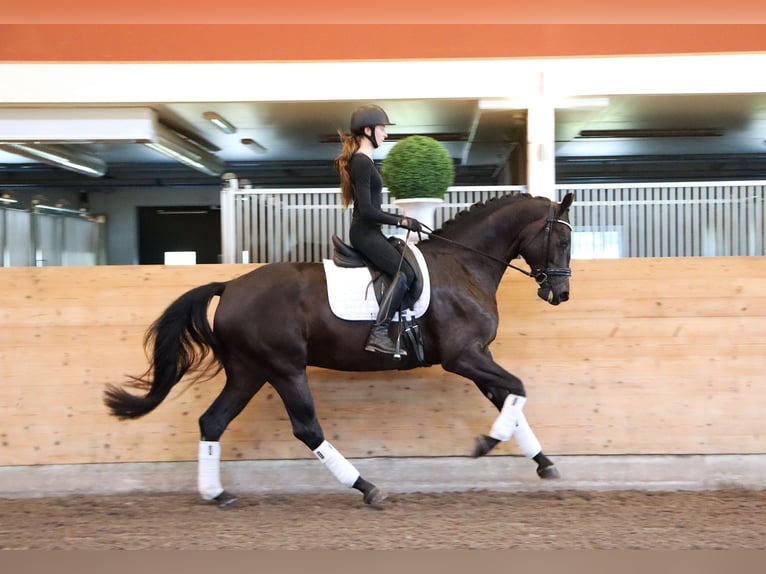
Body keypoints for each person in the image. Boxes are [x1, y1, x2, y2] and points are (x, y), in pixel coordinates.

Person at [334, 104, 422, 357]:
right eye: (382, 129)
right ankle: (379, 332)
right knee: (404, 273)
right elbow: (368, 211)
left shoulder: (366, 161)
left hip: (372, 232)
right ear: (368, 130)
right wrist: (402, 221)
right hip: (364, 233)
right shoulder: (362, 163)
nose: (385, 134)